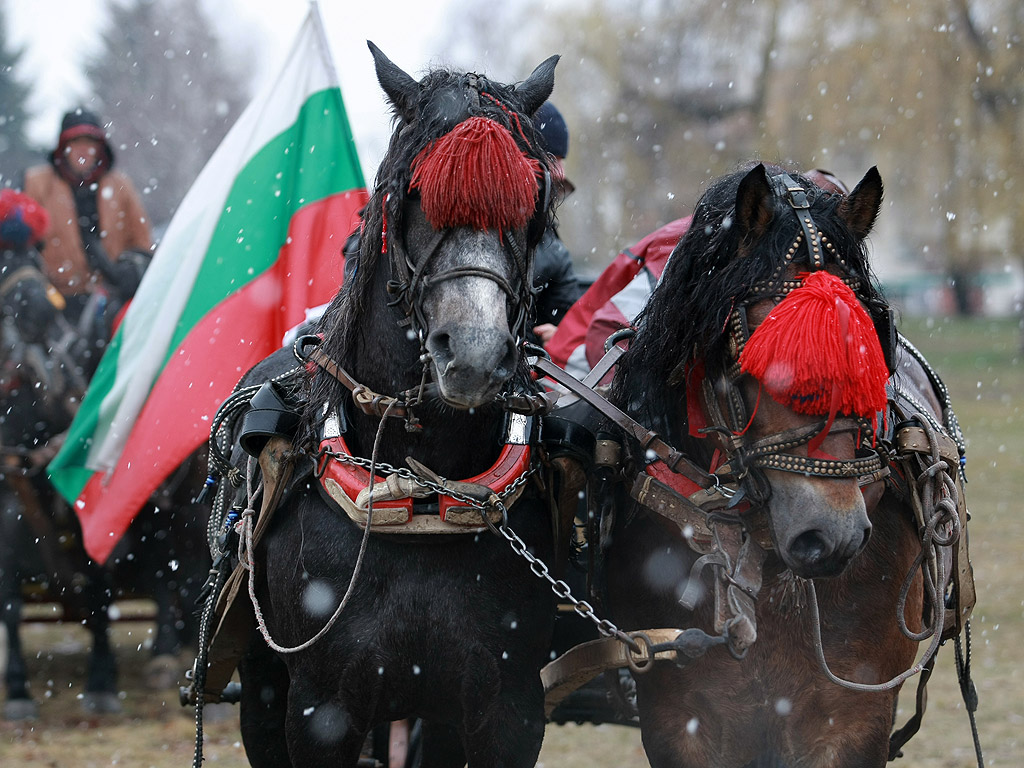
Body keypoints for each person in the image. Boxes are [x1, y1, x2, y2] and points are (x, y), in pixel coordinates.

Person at [21, 108, 152, 322]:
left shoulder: (121, 187)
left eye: (89, 143)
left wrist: (128, 270)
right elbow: (21, 245)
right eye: (75, 143)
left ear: (100, 149)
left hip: (111, 301)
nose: (83, 150)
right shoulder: (35, 185)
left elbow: (142, 243)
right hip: (56, 304)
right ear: (63, 148)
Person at [531, 101, 582, 344]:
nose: (561, 173)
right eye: (552, 158)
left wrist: (564, 335)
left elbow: (570, 317)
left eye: (561, 160)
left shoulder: (552, 249)